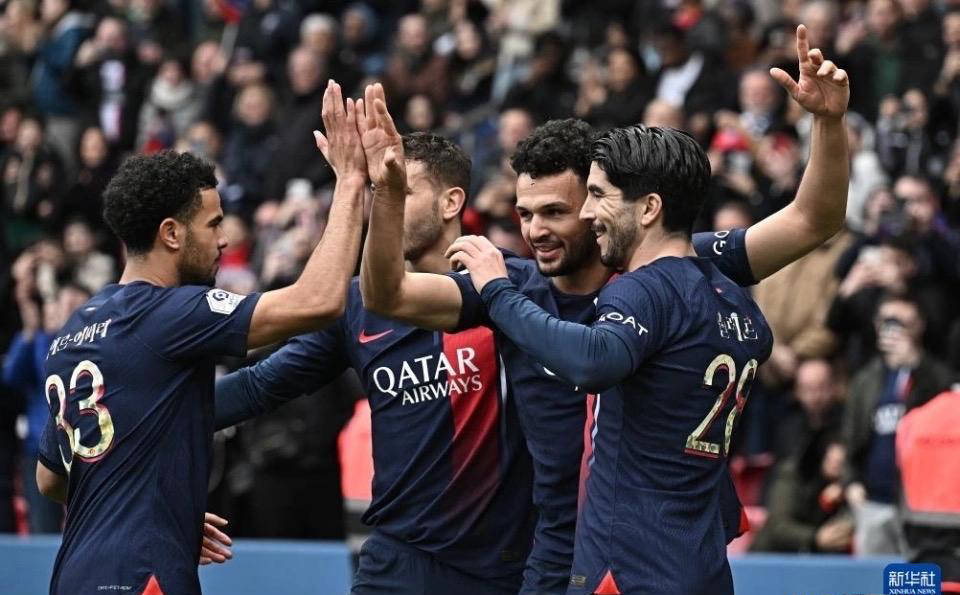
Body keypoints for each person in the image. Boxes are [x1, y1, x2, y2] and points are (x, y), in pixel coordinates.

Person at [360, 24, 850, 594]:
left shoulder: (673, 266)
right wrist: (382, 196)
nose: (535, 231)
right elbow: (388, 295)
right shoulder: (515, 279)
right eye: (524, 214)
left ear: (625, 204)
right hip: (562, 550)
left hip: (643, 550)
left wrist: (827, 124)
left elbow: (810, 221)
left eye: (560, 210)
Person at [35, 81, 365, 595]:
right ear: (172, 233)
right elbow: (317, 300)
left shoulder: (76, 327)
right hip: (141, 576)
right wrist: (350, 181)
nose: (224, 239)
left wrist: (156, 509)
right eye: (213, 225)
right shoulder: (170, 312)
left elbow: (50, 478)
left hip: (76, 572)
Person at [215, 89, 537, 595]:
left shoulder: (509, 287)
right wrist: (151, 410)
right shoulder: (357, 305)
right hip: (395, 563)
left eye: (401, 192)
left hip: (498, 565)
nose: (386, 207)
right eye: (379, 192)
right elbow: (259, 386)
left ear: (452, 202)